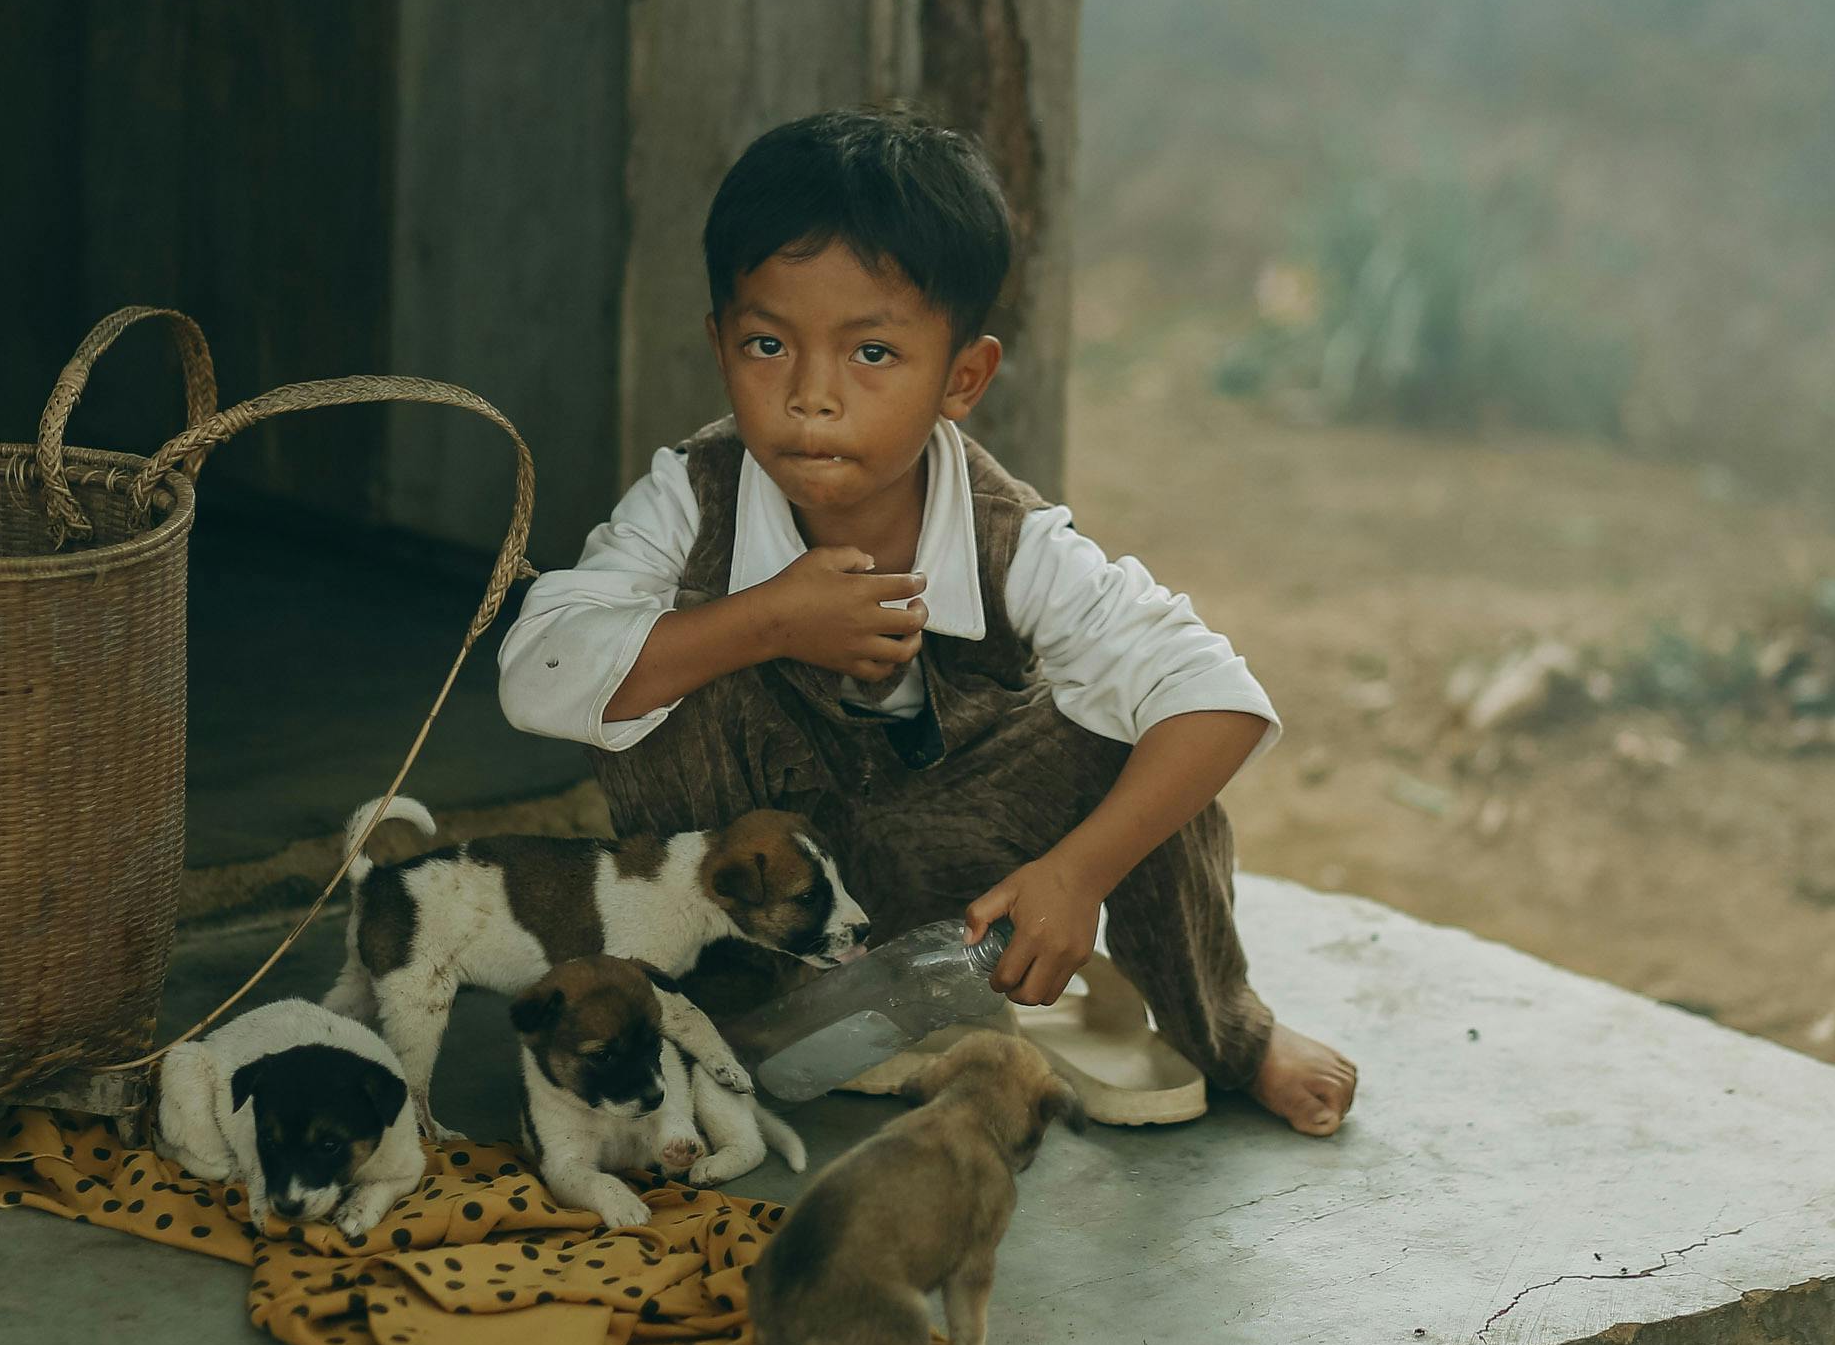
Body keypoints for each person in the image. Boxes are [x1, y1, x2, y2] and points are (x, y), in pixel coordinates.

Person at [496, 108, 1356, 1135]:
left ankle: (1233, 1034)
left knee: (1143, 731)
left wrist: (1076, 874)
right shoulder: (691, 497)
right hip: (766, 889)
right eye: (768, 344)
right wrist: (764, 621)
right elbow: (535, 671)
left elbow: (1219, 697)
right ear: (719, 343)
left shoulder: (1013, 540)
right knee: (650, 664)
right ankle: (736, 1009)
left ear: (962, 378)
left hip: (966, 887)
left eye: (871, 353)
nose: (811, 397)